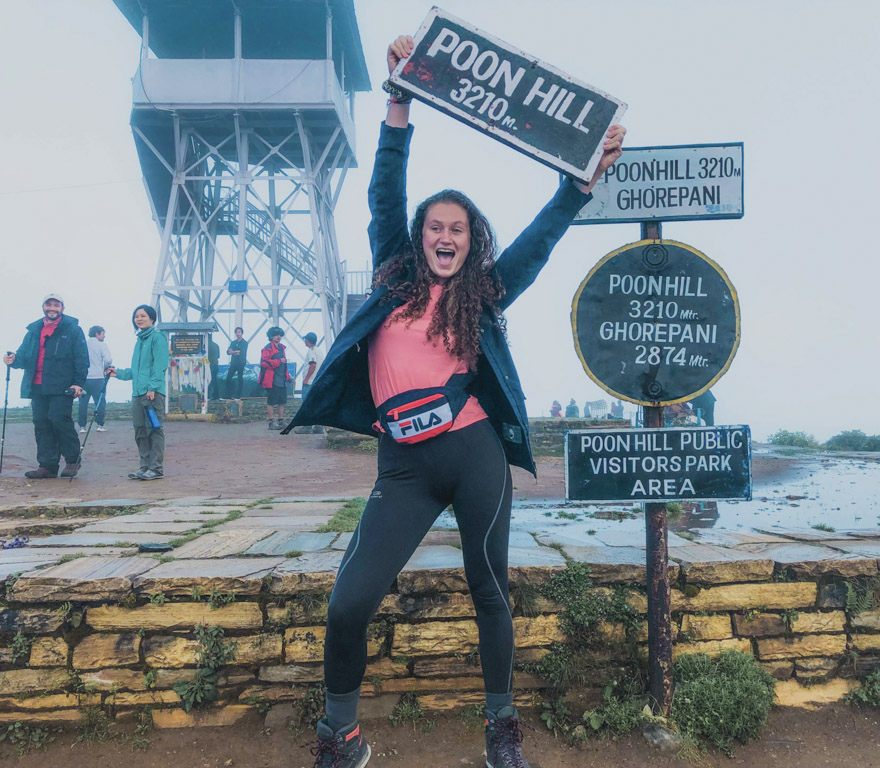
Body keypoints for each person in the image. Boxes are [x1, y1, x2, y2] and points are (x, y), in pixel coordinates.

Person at [286, 35, 624, 768]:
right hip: (402, 468)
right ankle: (339, 735)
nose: (445, 236)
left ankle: (502, 734)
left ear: (472, 243)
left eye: (458, 229)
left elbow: (537, 243)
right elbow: (384, 189)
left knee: (490, 592)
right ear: (419, 237)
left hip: (475, 458)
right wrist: (400, 103)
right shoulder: (392, 275)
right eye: (435, 227)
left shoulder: (486, 294)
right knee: (348, 603)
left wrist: (581, 184)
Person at [3, 294, 88, 478]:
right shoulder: (33, 331)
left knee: (59, 420)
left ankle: (73, 461)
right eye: (48, 304)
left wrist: (78, 383)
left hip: (62, 385)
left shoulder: (73, 330)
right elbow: (24, 357)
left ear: (62, 308)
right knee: (41, 424)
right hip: (37, 386)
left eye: (56, 305)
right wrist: (13, 359)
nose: (52, 308)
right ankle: (48, 466)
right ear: (43, 307)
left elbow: (82, 359)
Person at [107, 305, 168, 480]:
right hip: (137, 393)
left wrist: (153, 387)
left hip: (152, 393)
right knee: (140, 430)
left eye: (143, 316)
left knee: (154, 430)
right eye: (136, 317)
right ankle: (145, 466)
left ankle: (156, 468)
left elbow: (160, 365)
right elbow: (136, 371)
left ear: (152, 318)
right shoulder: (139, 341)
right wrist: (118, 373)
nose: (139, 319)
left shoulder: (157, 338)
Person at [78, 325, 113, 434]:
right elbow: (108, 360)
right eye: (103, 333)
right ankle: (99, 424)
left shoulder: (83, 344)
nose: (104, 336)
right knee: (100, 402)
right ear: (97, 334)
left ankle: (82, 426)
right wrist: (105, 367)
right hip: (97, 378)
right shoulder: (101, 345)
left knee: (83, 403)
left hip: (84, 378)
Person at [293, 332, 325, 434]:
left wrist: (306, 378)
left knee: (306, 404)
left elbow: (313, 365)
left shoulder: (311, 351)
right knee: (316, 404)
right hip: (318, 381)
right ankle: (319, 426)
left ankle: (307, 426)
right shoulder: (319, 351)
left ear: (307, 340)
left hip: (310, 382)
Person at [260, 326, 289, 429]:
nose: (278, 337)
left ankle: (281, 421)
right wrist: (278, 362)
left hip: (282, 379)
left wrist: (288, 377)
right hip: (272, 380)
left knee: (282, 401)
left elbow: (284, 365)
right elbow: (263, 363)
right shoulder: (267, 348)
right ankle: (271, 422)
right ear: (271, 336)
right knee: (271, 401)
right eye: (276, 335)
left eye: (280, 335)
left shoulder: (282, 348)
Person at [225, 327, 247, 398]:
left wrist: (233, 351)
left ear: (242, 333)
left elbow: (241, 352)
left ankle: (238, 395)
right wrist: (235, 351)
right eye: (236, 332)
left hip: (241, 363)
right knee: (228, 378)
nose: (238, 334)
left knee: (240, 379)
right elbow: (228, 352)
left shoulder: (244, 343)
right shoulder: (233, 342)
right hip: (233, 363)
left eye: (239, 332)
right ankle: (228, 394)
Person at [207, 336, 221, 400]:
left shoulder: (205, 346)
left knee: (208, 380)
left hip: (209, 365)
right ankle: (216, 395)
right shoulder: (216, 345)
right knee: (215, 380)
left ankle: (208, 395)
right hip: (216, 365)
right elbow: (218, 356)